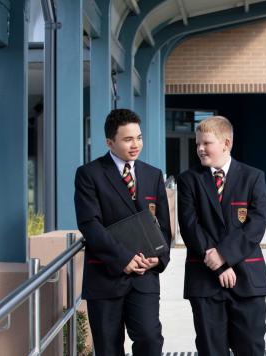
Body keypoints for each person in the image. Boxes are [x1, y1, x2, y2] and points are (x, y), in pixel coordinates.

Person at [74, 108, 172, 356]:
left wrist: (159, 258)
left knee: (150, 340)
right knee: (108, 348)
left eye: (138, 137)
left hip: (145, 277)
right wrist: (123, 259)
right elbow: (90, 224)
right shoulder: (89, 174)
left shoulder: (153, 175)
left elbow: (163, 226)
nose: (136, 144)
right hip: (106, 276)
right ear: (110, 142)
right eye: (128, 139)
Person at [176, 115, 266, 356]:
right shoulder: (189, 180)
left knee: (251, 348)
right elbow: (189, 225)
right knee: (210, 350)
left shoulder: (253, 177)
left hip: (248, 279)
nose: (199, 148)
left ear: (226, 143)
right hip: (205, 280)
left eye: (206, 143)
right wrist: (217, 264)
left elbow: (256, 225)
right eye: (197, 143)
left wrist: (224, 256)